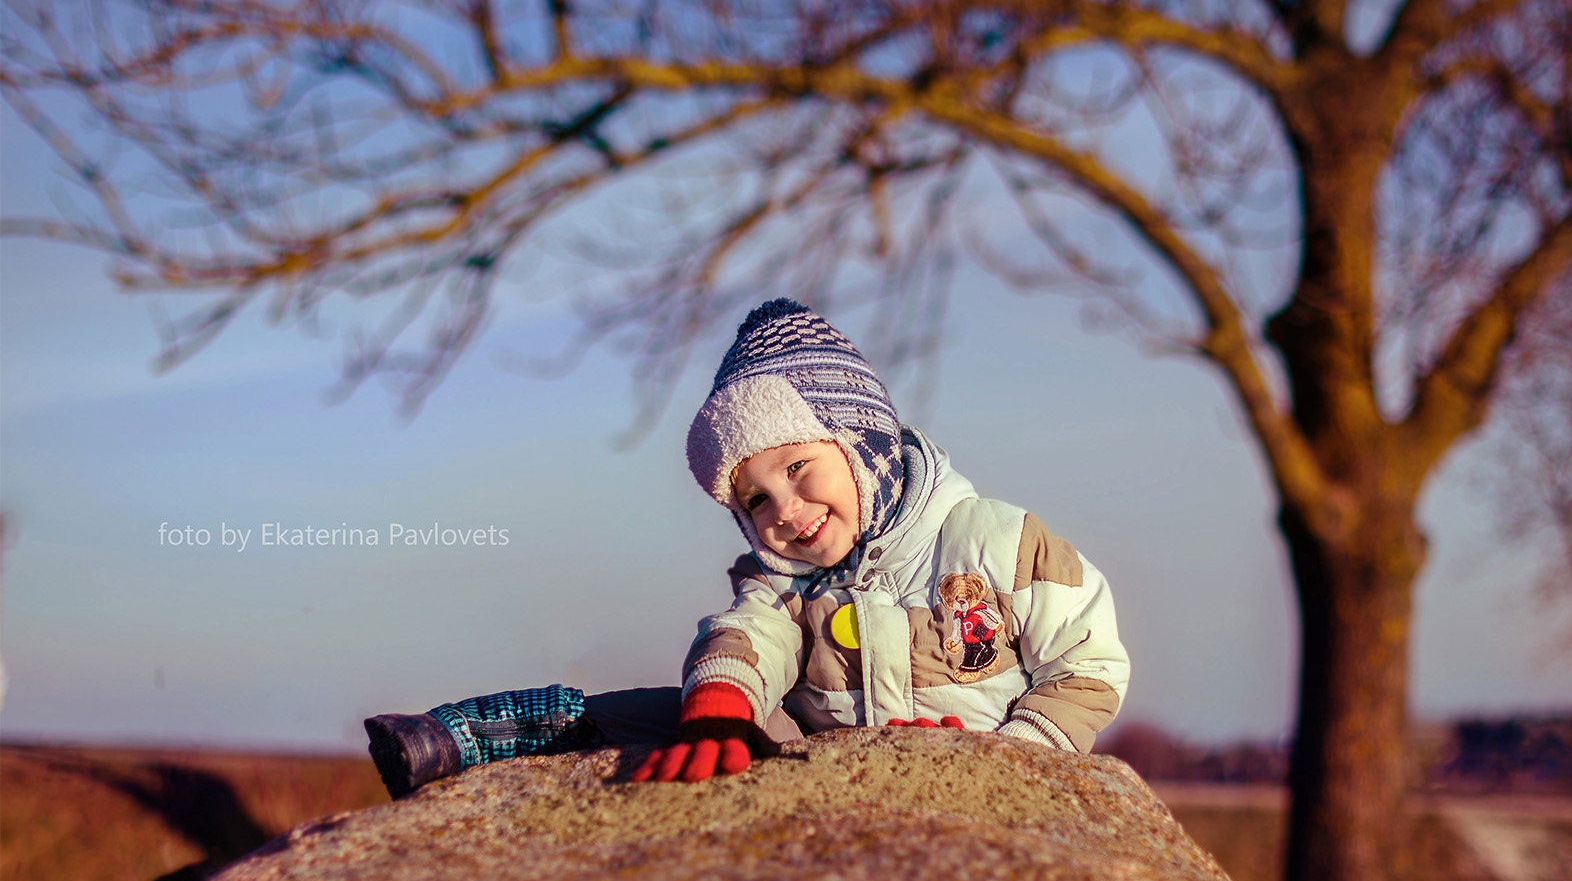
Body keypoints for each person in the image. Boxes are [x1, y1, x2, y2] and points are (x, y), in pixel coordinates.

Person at [365, 299, 1129, 796]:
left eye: (800, 469)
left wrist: (1020, 759)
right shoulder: (787, 582)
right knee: (674, 716)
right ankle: (468, 737)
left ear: (864, 448)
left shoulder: (996, 540)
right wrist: (723, 705)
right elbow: (748, 633)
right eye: (755, 498)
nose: (786, 511)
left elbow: (1089, 662)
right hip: (825, 764)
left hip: (974, 765)